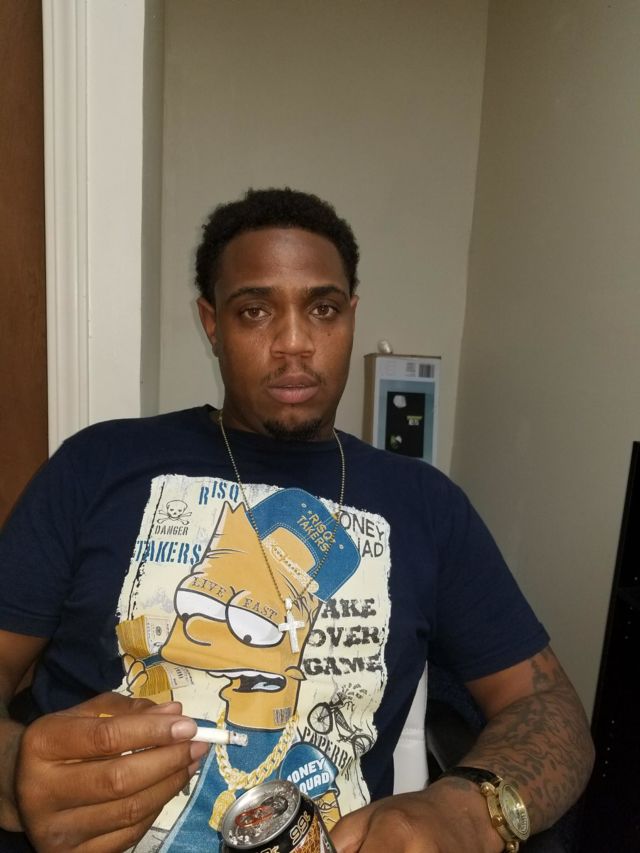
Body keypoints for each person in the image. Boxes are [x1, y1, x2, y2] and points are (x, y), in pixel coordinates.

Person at [0, 188, 594, 853]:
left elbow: (549, 707)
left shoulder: (426, 504)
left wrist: (470, 810)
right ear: (211, 323)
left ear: (351, 316)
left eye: (323, 309)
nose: (293, 343)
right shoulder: (97, 466)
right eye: (254, 310)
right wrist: (14, 771)